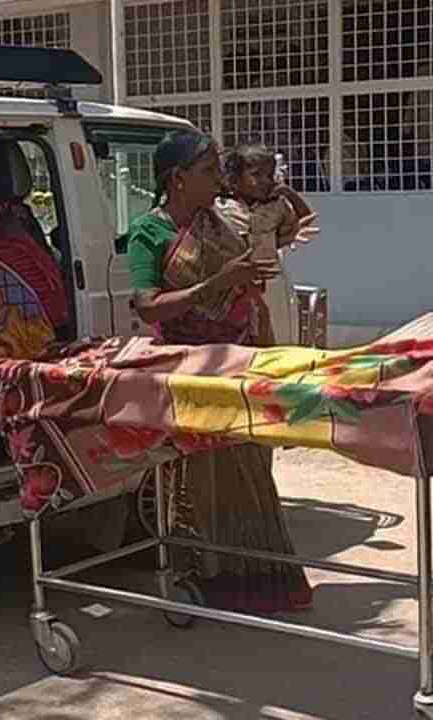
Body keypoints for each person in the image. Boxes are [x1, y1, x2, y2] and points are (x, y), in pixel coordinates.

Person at [126, 129, 315, 613]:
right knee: (196, 479)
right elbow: (147, 307)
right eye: (209, 171)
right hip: (192, 375)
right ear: (178, 179)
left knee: (250, 471)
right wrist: (216, 283)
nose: (218, 180)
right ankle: (196, 579)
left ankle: (253, 580)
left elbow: (287, 233)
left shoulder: (224, 223)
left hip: (241, 363)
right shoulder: (150, 231)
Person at [217, 144, 320, 346]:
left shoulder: (275, 206)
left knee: (274, 341)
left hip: (270, 283)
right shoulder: (221, 206)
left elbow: (306, 218)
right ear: (235, 179)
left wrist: (287, 192)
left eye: (269, 175)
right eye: (256, 175)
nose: (265, 181)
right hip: (232, 288)